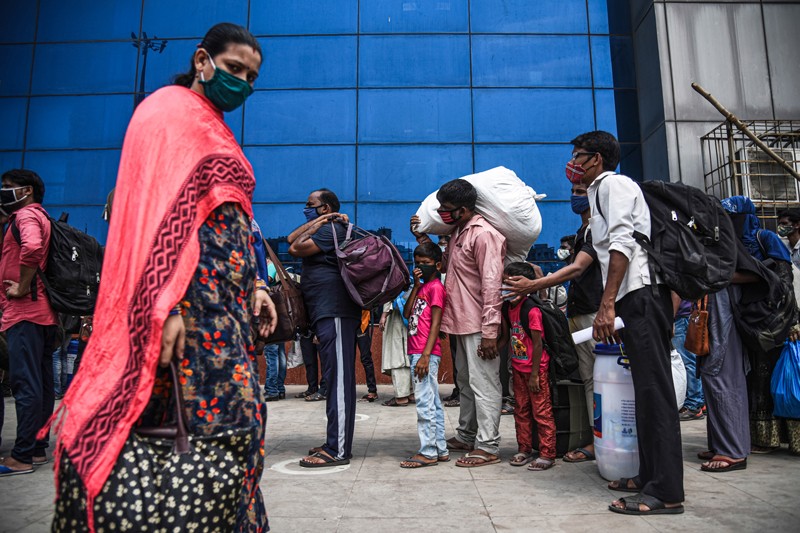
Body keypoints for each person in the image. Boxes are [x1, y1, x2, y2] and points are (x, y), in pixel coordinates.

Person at [46, 23, 277, 530]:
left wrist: (256, 284)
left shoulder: (213, 125)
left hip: (227, 316)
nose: (242, 82)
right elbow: (154, 214)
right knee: (194, 436)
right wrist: (163, 306)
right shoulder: (168, 113)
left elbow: (226, 218)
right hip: (185, 317)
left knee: (236, 438)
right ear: (202, 60)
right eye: (233, 68)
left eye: (251, 76)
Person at [572, 131, 684, 514]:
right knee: (644, 393)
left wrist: (607, 305)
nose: (574, 163)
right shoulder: (600, 191)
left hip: (641, 297)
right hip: (632, 299)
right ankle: (647, 476)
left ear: (597, 159)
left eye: (579, 156)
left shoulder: (614, 185)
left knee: (656, 396)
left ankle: (666, 492)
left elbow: (623, 243)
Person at [504, 179, 602, 464]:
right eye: (572, 191)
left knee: (598, 382)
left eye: (581, 192)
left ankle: (592, 441)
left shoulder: (598, 229)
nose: (574, 197)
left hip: (595, 314)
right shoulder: (583, 231)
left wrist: (535, 284)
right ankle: (594, 437)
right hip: (579, 313)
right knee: (587, 380)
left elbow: (579, 268)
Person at [411, 178, 506, 468]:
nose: (441, 213)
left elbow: (492, 284)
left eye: (447, 208)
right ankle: (467, 435)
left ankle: (488, 445)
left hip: (479, 324)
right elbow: (448, 270)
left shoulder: (484, 235)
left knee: (484, 383)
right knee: (465, 382)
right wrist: (422, 240)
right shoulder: (458, 234)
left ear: (463, 210)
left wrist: (490, 331)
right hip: (459, 321)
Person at [721, 197, 800, 456]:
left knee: (779, 377)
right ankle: (764, 437)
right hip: (749, 321)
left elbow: (784, 281)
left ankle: (781, 436)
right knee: (756, 378)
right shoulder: (731, 243)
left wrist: (791, 321)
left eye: (735, 217)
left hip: (774, 321)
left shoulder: (766, 239)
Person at [289, 188, 361, 467]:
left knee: (340, 381)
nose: (305, 208)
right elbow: (292, 238)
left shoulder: (334, 230)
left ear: (326, 207)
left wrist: (325, 221)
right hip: (326, 312)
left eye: (311, 205)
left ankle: (339, 450)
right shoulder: (325, 227)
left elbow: (295, 248)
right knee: (333, 379)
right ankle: (334, 441)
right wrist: (319, 219)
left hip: (337, 312)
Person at [0, 169, 58, 478]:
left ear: (28, 191)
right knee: (43, 384)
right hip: (44, 314)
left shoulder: (25, 217)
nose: (4, 191)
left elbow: (33, 248)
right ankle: (36, 448)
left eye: (9, 187)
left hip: (26, 312)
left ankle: (21, 456)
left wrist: (21, 286)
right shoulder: (42, 216)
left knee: (26, 384)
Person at [500, 262, 557, 471]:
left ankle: (547, 453)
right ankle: (524, 448)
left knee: (542, 412)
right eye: (504, 283)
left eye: (510, 283)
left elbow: (539, 343)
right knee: (521, 410)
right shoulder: (508, 308)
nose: (505, 287)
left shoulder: (531, 310)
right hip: (517, 369)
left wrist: (534, 374)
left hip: (536, 371)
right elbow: (506, 337)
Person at [399, 243, 448, 468]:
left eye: (426, 264)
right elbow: (407, 313)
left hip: (424, 352)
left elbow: (436, 323)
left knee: (424, 403)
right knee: (433, 401)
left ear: (437, 265)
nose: (420, 267)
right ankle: (440, 448)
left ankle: (428, 451)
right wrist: (417, 286)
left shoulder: (437, 287)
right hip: (418, 350)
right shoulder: (423, 288)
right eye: (417, 263)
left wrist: (426, 355)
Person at [672, 295, 705, 421]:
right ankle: (696, 401)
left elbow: (675, 293)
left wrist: (671, 317)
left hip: (681, 317)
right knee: (689, 360)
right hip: (683, 315)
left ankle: (693, 405)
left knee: (688, 362)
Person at [379, 292, 413, 406]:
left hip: (398, 315)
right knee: (409, 355)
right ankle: (411, 392)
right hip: (413, 316)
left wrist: (384, 314)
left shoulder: (395, 274)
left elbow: (392, 290)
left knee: (398, 356)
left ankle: (401, 396)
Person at [296, 330, 327, 401]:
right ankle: (312, 388)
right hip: (305, 329)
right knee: (309, 360)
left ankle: (324, 389)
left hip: (321, 326)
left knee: (325, 360)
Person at [357, 309, 379, 402]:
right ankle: (346, 389)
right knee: (347, 358)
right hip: (348, 322)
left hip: (362, 322)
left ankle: (372, 390)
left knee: (366, 357)